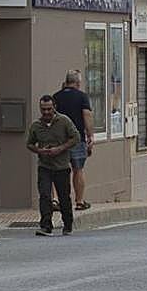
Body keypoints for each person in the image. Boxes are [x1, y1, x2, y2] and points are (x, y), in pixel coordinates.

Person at [26, 95, 80, 236]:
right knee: (44, 195)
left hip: (61, 166)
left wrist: (60, 148)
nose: (46, 112)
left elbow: (76, 137)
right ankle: (45, 225)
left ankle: (67, 224)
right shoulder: (36, 126)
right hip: (44, 166)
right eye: (43, 109)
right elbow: (29, 144)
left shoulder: (64, 121)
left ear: (54, 107)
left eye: (49, 109)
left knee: (63, 197)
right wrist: (39, 150)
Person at [53, 70, 94, 211]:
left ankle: (55, 200)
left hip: (58, 140)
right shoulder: (82, 97)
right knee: (78, 169)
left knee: (56, 169)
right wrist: (90, 136)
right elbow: (87, 115)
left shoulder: (56, 97)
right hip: (77, 139)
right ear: (78, 83)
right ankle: (79, 201)